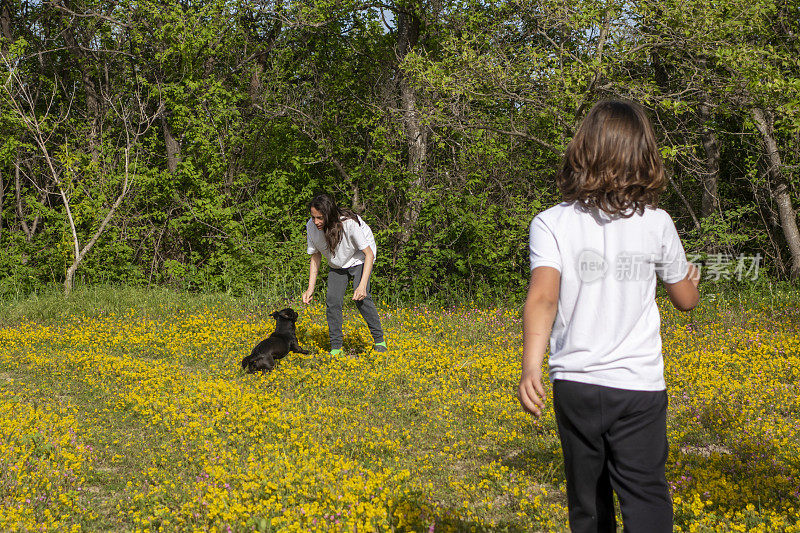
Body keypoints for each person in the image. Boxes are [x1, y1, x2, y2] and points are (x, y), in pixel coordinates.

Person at [517, 100, 701, 533]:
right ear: (644, 155)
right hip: (638, 387)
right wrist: (690, 276)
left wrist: (530, 365)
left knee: (588, 506)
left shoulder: (550, 223)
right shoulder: (658, 223)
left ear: (584, 150)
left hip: (576, 385)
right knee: (646, 496)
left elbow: (543, 298)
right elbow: (686, 299)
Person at [301, 193, 387, 354]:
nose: (316, 222)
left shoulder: (349, 224)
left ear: (329, 214)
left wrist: (362, 286)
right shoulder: (311, 227)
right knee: (332, 301)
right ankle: (336, 348)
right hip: (337, 263)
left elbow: (369, 254)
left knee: (363, 298)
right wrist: (310, 288)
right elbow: (315, 255)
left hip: (360, 258)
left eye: (320, 218)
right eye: (313, 217)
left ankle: (379, 340)